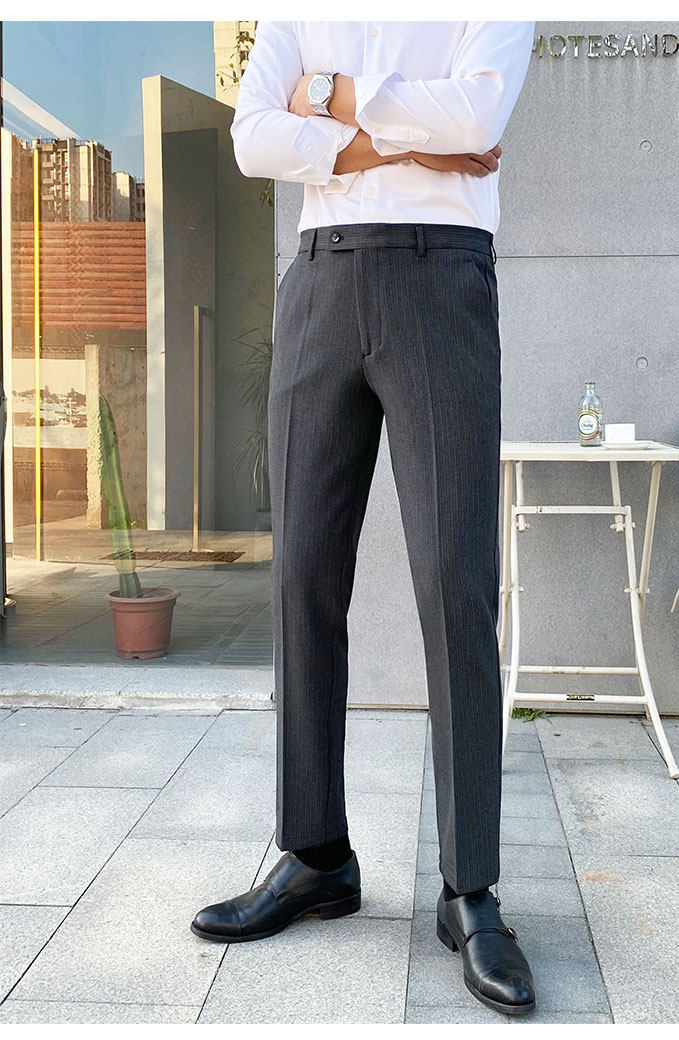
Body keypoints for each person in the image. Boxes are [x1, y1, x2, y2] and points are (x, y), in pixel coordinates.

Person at [192, 20, 536, 1017]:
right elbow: (252, 138)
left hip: (442, 275)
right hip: (319, 281)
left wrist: (332, 99)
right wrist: (402, 141)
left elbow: (477, 118)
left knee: (454, 581)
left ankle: (470, 888)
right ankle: (316, 855)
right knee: (302, 576)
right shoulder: (295, 10)